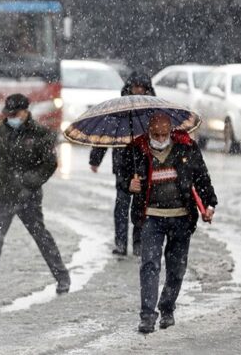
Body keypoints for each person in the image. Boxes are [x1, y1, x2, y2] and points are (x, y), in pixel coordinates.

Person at [119, 112, 217, 334]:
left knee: (176, 269)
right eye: (156, 134)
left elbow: (201, 177)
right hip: (150, 218)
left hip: (181, 218)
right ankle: (147, 316)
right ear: (149, 131)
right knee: (149, 265)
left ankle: (167, 307)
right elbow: (122, 176)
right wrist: (129, 184)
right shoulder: (136, 149)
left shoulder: (186, 146)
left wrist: (210, 203)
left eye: (165, 134)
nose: (161, 138)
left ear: (171, 130)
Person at [0, 93, 71, 294]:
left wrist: (28, 182)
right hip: (5, 195)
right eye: (8, 114)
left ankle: (62, 277)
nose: (10, 117)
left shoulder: (41, 134)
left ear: (25, 112)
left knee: (41, 237)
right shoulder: (4, 130)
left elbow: (49, 164)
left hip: (28, 197)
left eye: (14, 114)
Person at [89, 71, 156, 256]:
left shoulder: (153, 112)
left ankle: (138, 242)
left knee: (141, 207)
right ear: (130, 87)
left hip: (145, 165)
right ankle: (120, 243)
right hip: (122, 165)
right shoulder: (119, 111)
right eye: (136, 87)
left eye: (142, 88)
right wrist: (95, 159)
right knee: (122, 205)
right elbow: (105, 135)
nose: (139, 91)